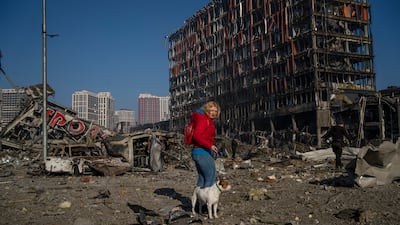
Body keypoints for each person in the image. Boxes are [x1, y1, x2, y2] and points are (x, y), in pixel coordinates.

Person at [191, 101, 220, 188]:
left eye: (215, 111)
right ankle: (206, 200)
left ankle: (197, 201)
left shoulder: (206, 120)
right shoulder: (204, 120)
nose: (213, 113)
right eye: (211, 110)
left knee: (202, 178)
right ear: (207, 110)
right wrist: (210, 145)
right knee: (210, 177)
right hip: (202, 152)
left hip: (200, 152)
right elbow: (197, 136)